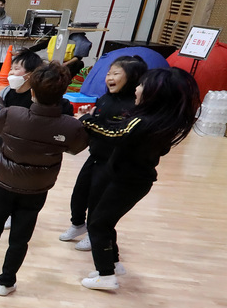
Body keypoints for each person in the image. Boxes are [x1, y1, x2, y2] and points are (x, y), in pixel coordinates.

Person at [0, 62, 87, 296]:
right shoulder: (70, 126)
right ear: (64, 93)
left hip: (4, 182)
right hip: (37, 188)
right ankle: (6, 282)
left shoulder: (14, 114)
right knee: (21, 237)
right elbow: (76, 147)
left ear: (32, 90)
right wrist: (81, 123)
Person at [82, 68, 199, 290]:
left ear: (154, 93)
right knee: (106, 221)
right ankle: (113, 264)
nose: (136, 89)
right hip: (133, 180)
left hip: (127, 181)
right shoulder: (161, 122)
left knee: (97, 224)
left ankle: (105, 275)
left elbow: (114, 135)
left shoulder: (141, 122)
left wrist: (87, 120)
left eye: (141, 85)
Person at [61, 55, 146, 246]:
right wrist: (87, 116)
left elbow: (116, 133)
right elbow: (96, 124)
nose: (109, 77)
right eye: (109, 73)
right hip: (95, 156)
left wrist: (88, 121)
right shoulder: (105, 98)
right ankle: (77, 224)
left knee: (97, 198)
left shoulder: (132, 107)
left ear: (132, 78)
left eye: (116, 73)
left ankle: (94, 232)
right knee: (79, 193)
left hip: (113, 161)